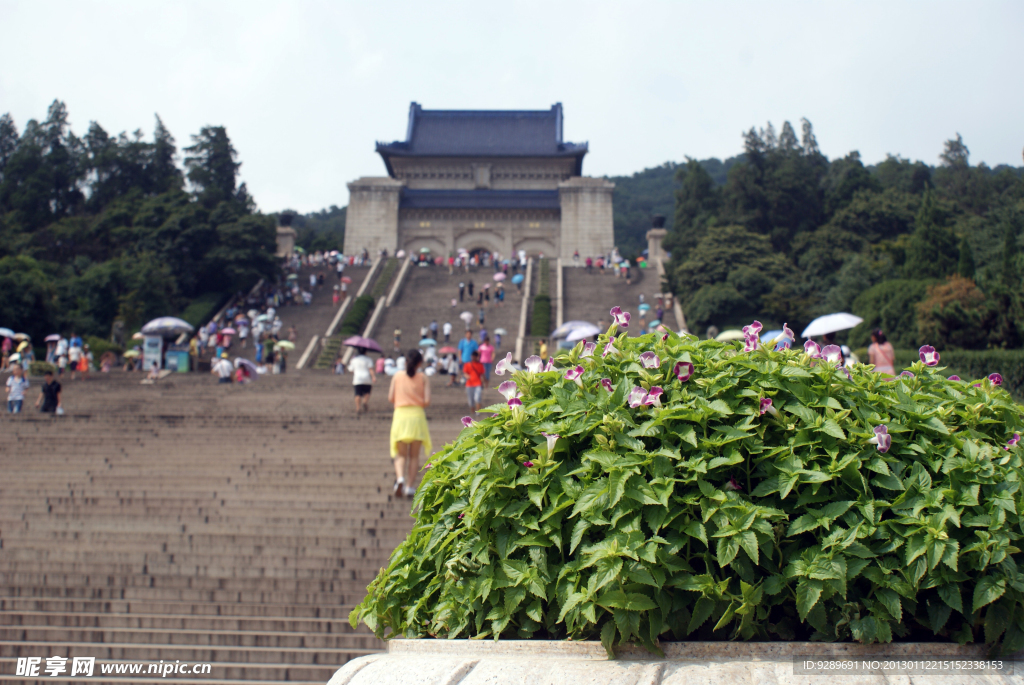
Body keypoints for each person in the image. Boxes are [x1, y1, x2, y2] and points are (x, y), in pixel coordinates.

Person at [388, 349, 432, 499]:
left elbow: (390, 398)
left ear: (406, 361)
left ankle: (400, 478)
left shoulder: (397, 376)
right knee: (414, 456)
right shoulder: (423, 378)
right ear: (419, 363)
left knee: (400, 455)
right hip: (417, 416)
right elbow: (427, 401)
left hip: (401, 415)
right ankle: (409, 487)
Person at [348, 347, 377, 414]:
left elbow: (351, 370)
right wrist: (373, 377)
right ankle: (365, 402)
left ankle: (358, 408)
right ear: (365, 352)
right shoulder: (368, 359)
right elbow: (370, 369)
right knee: (367, 392)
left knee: (357, 393)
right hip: (366, 378)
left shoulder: (354, 360)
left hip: (357, 378)